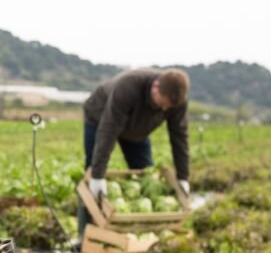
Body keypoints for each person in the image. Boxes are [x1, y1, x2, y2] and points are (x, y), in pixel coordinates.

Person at [77, 68, 191, 239]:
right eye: (162, 104)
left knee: (147, 177)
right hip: (101, 118)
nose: (164, 109)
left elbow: (179, 137)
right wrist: (98, 175)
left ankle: (141, 236)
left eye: (168, 107)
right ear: (155, 87)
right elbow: (108, 130)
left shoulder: (177, 102)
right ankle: (85, 238)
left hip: (137, 130)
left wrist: (183, 177)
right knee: (92, 177)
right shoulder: (129, 86)